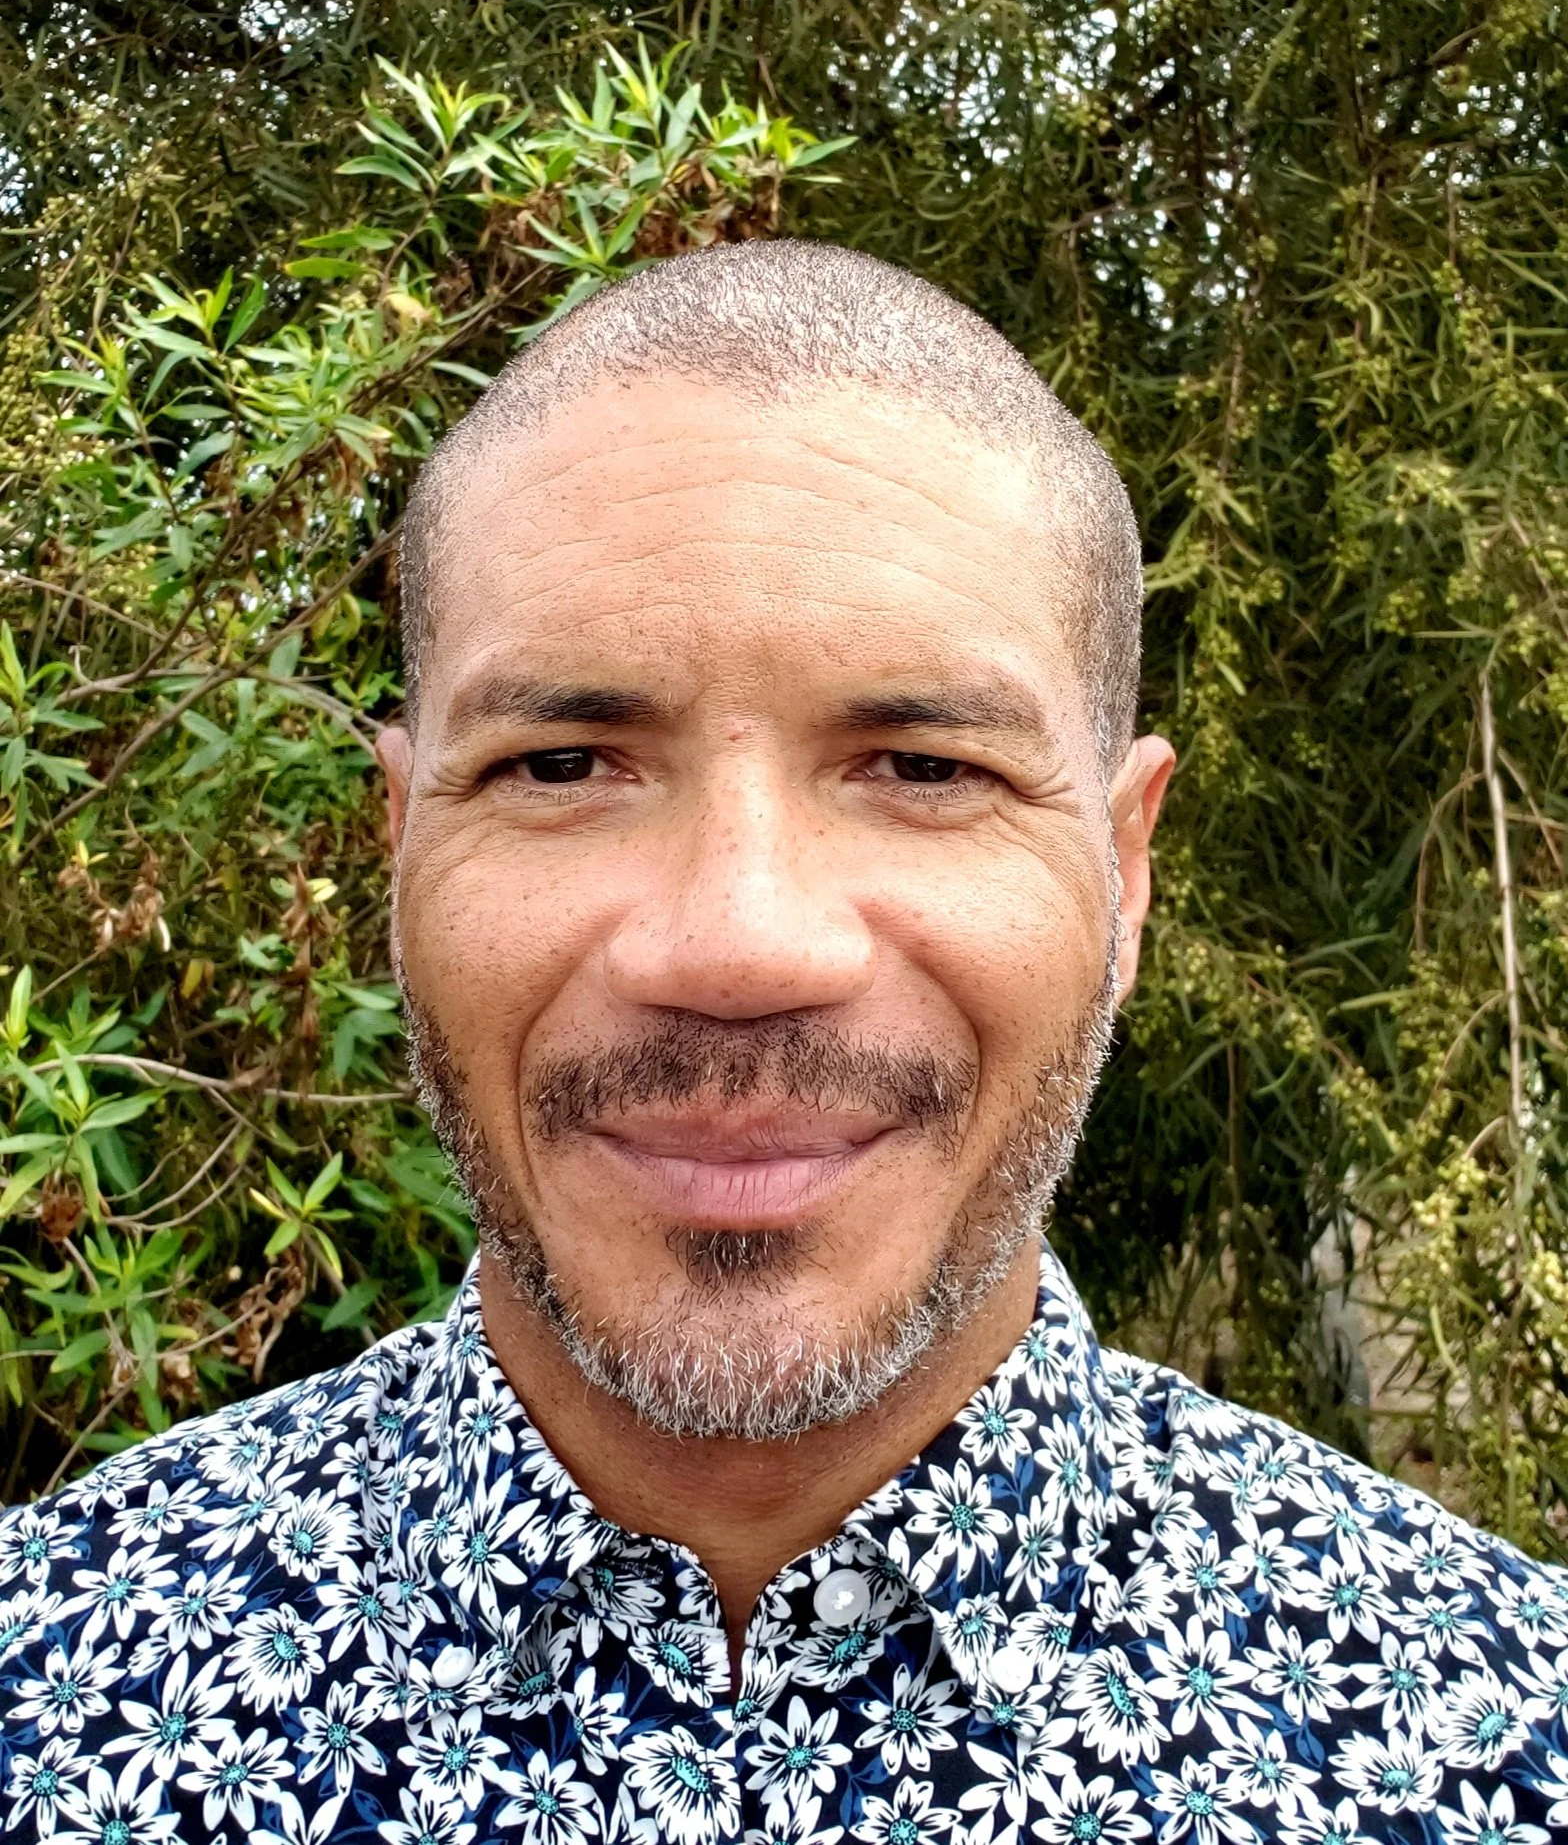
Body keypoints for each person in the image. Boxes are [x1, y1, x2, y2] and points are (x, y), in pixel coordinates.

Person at [2, 239, 1565, 1845]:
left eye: (923, 766)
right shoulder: (43, 1688)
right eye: (561, 765)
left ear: (1126, 872)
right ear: (401, 849)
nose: (740, 945)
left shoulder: (1503, 1747)